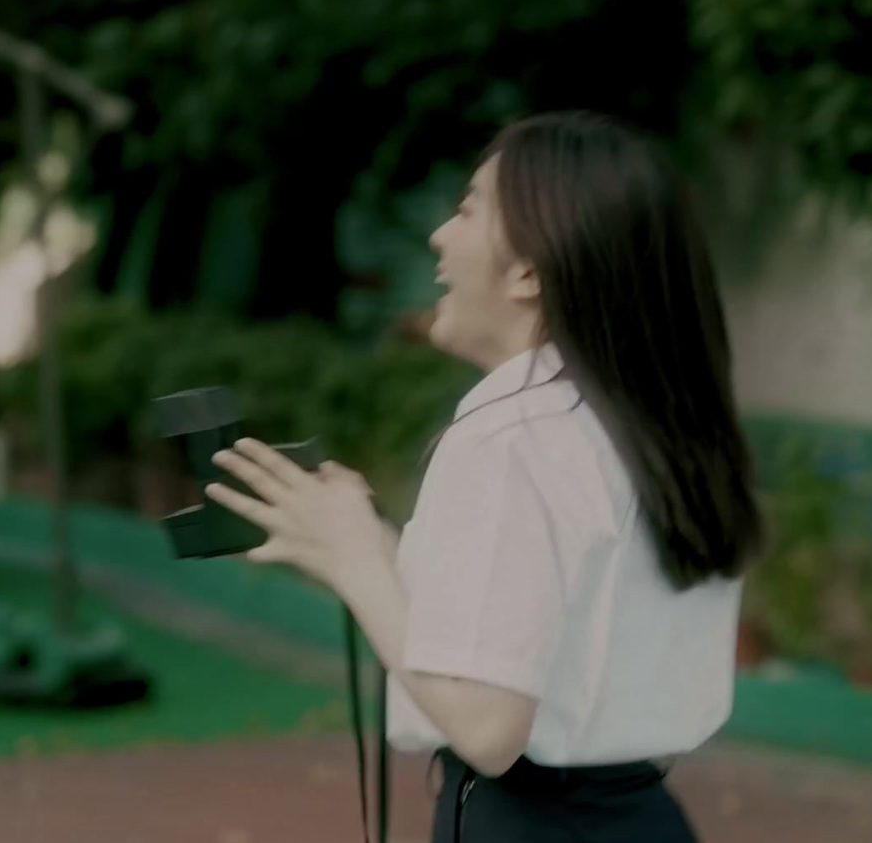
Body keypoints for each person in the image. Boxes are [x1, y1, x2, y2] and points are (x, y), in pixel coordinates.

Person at [205, 111, 763, 842]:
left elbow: (488, 725)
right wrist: (375, 545)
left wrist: (359, 564)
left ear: (530, 269)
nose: (439, 236)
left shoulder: (512, 437)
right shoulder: (634, 425)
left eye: (468, 208)